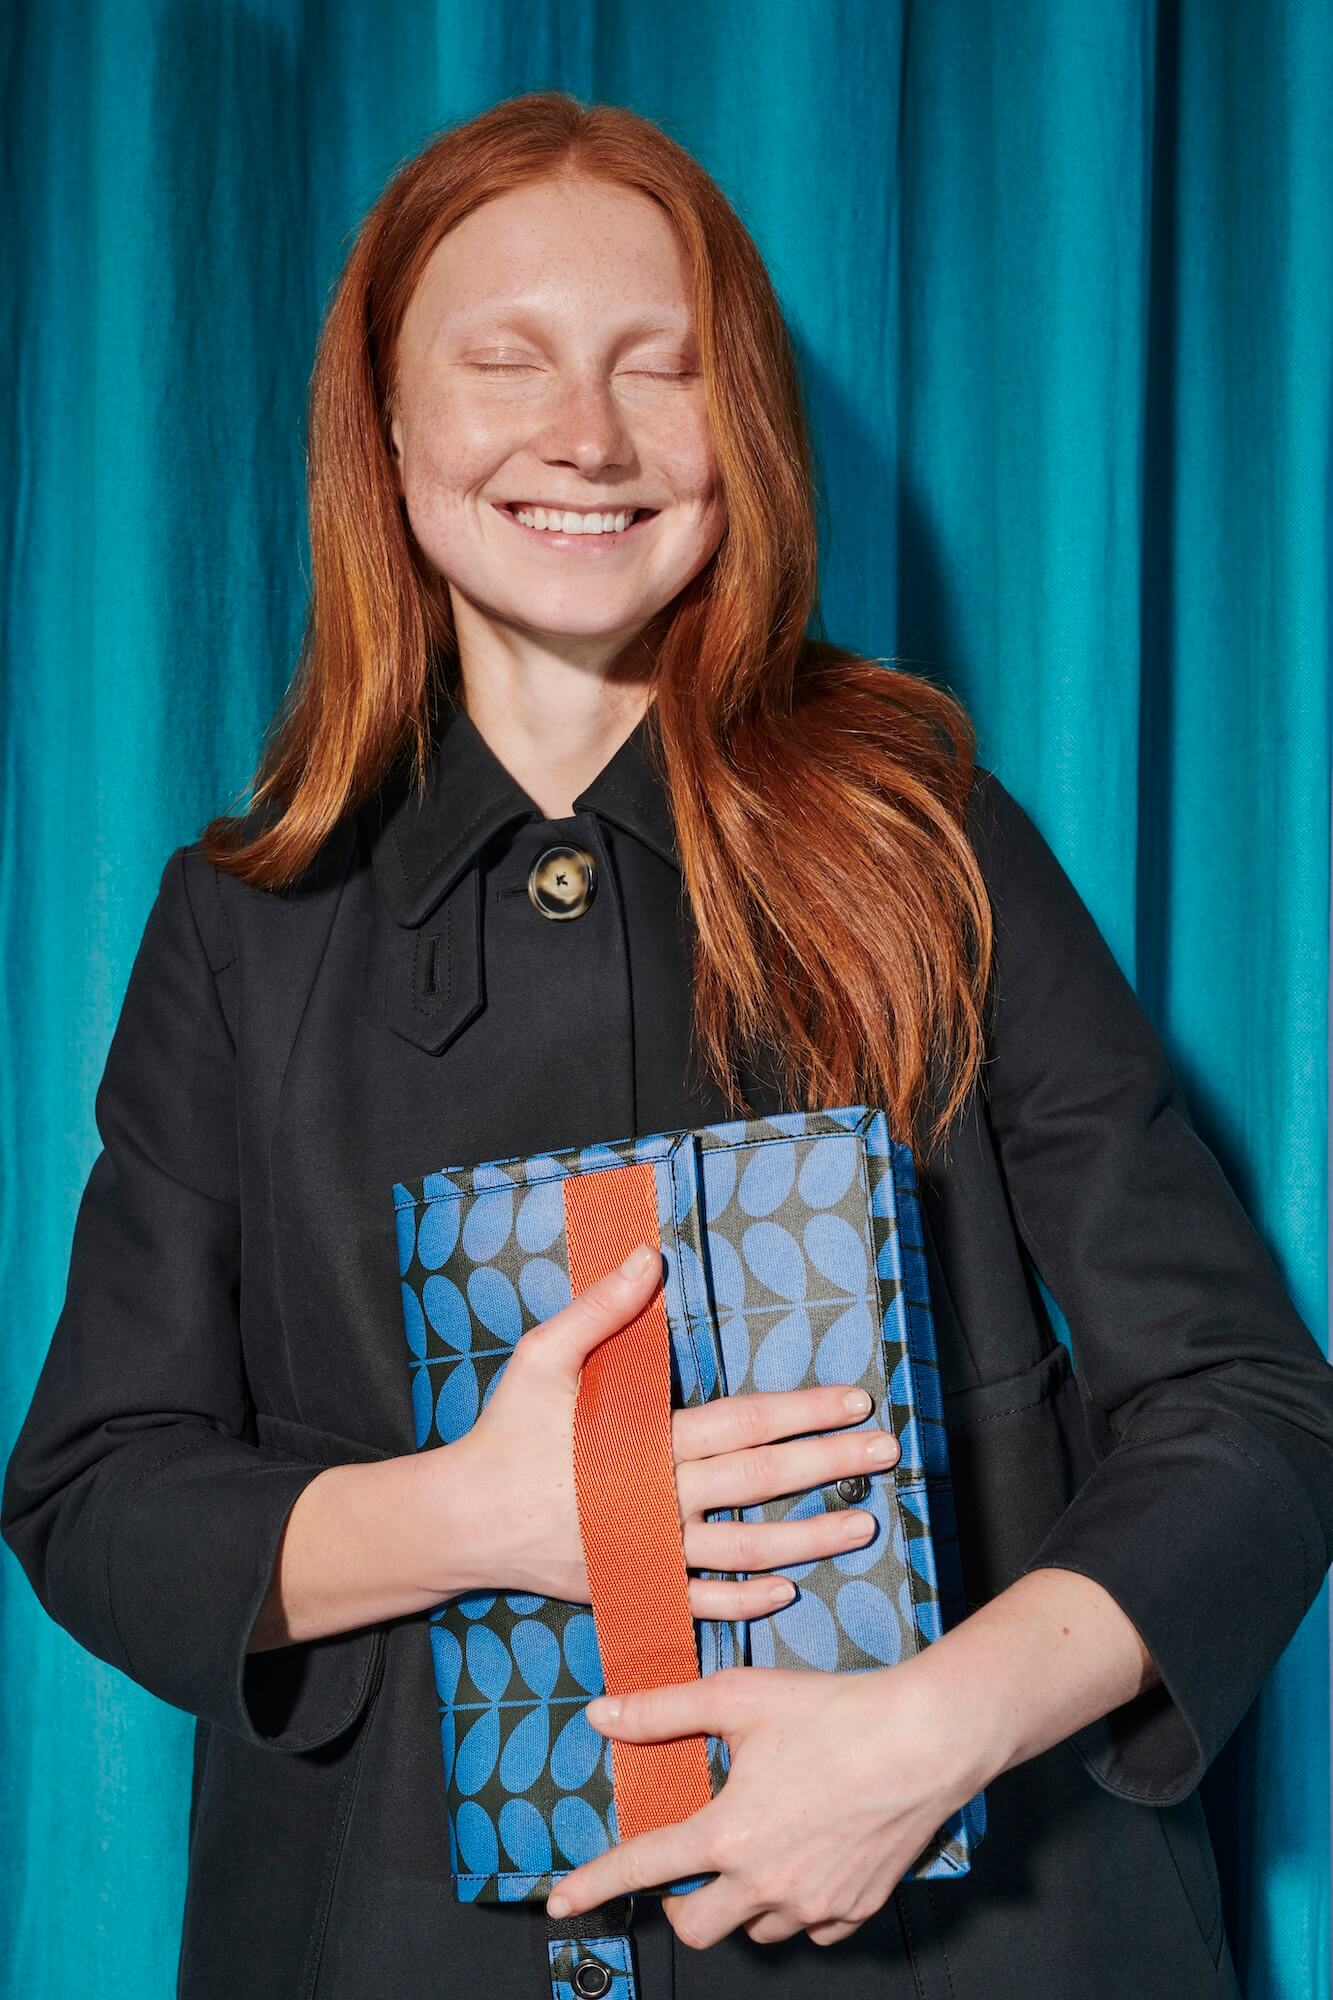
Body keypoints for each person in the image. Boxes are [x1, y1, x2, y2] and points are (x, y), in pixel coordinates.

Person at [3, 88, 1331, 2000]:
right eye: (506, 360)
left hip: (964, 1945)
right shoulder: (240, 922)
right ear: (386, 427)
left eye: (661, 365)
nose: (588, 435)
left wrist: (931, 1731)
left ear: (746, 435)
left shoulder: (934, 841)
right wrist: (473, 1517)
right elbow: (93, 1495)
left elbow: (1251, 1414)